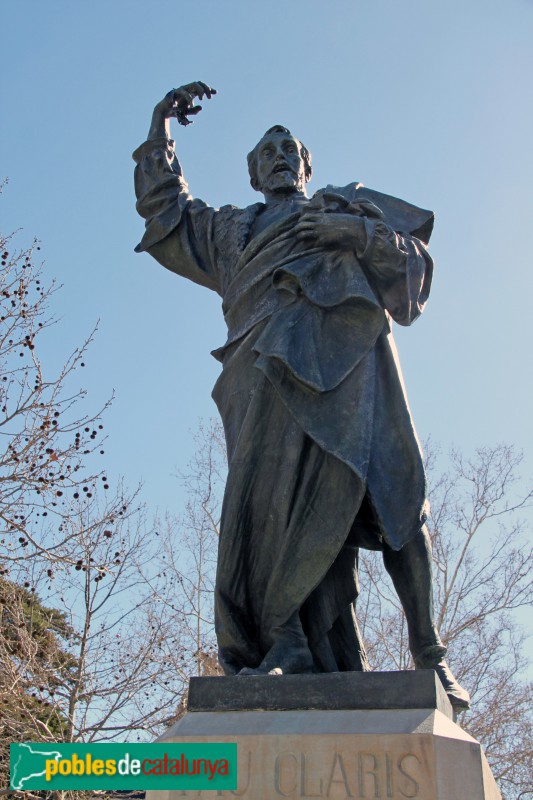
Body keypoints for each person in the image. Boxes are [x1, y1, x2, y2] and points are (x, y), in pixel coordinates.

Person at [133, 82, 470, 709]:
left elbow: (415, 272)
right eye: (268, 151)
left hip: (353, 367)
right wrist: (160, 127)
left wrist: (353, 232)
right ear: (254, 173)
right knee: (272, 515)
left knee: (397, 496)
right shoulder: (230, 233)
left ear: (307, 166)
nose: (281, 156)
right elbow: (167, 212)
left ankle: (430, 652)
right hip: (263, 381)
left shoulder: (347, 204)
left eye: (291, 149)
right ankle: (287, 644)